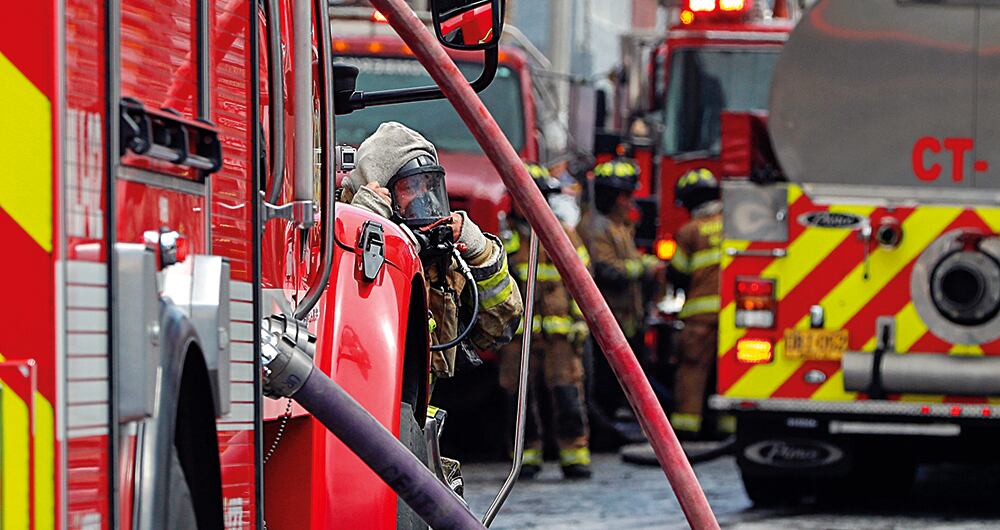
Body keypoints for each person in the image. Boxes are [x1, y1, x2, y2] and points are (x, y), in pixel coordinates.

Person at [339, 121, 523, 381]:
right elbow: (338, 329)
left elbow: (499, 329)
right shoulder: (332, 235)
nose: (424, 198)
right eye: (411, 187)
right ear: (379, 190)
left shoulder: (437, 257)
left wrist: (481, 253)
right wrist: (360, 227)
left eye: (428, 185)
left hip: (412, 414)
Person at [498, 163, 593, 480]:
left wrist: (580, 321)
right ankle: (525, 458)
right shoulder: (506, 238)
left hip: (560, 336)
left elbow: (584, 283)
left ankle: (575, 456)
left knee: (567, 395)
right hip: (518, 338)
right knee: (518, 399)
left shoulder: (563, 235)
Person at [578, 157, 662, 441]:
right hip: (606, 320)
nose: (630, 201)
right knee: (604, 382)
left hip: (625, 319)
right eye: (626, 195)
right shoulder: (594, 228)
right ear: (612, 197)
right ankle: (603, 433)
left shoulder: (619, 226)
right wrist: (647, 268)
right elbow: (607, 270)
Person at [668, 168, 723, 438]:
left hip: (700, 317)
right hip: (736, 318)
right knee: (729, 373)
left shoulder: (690, 231)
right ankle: (727, 428)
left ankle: (687, 427)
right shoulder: (734, 223)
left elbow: (678, 272)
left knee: (692, 370)